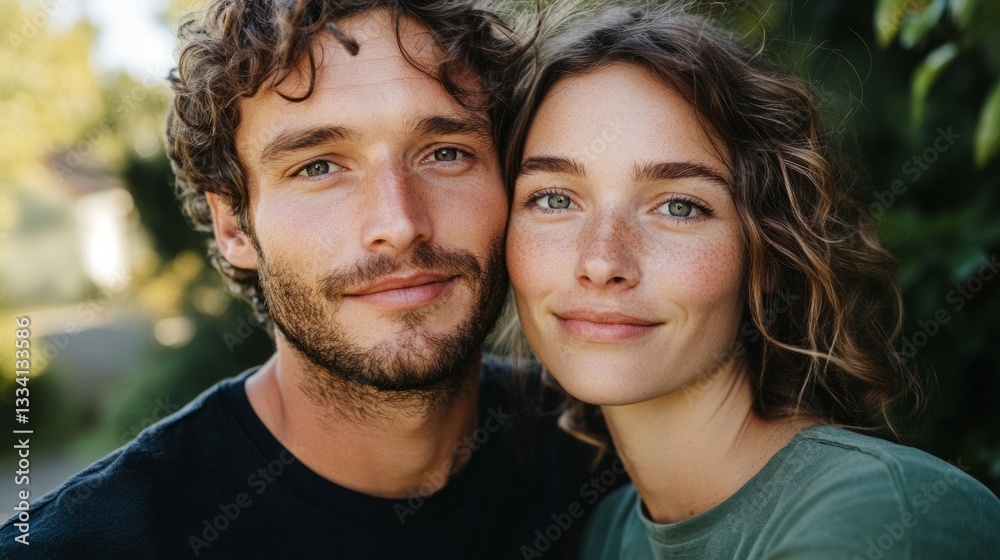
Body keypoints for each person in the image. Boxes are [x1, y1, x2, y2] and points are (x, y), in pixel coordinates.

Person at [0, 1, 596, 558]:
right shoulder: (85, 543)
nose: (400, 223)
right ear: (234, 226)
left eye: (445, 152)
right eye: (318, 166)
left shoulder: (607, 451)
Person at [503, 4, 1000, 559]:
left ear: (768, 245)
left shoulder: (880, 517)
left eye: (678, 207)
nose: (601, 260)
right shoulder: (607, 535)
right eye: (553, 199)